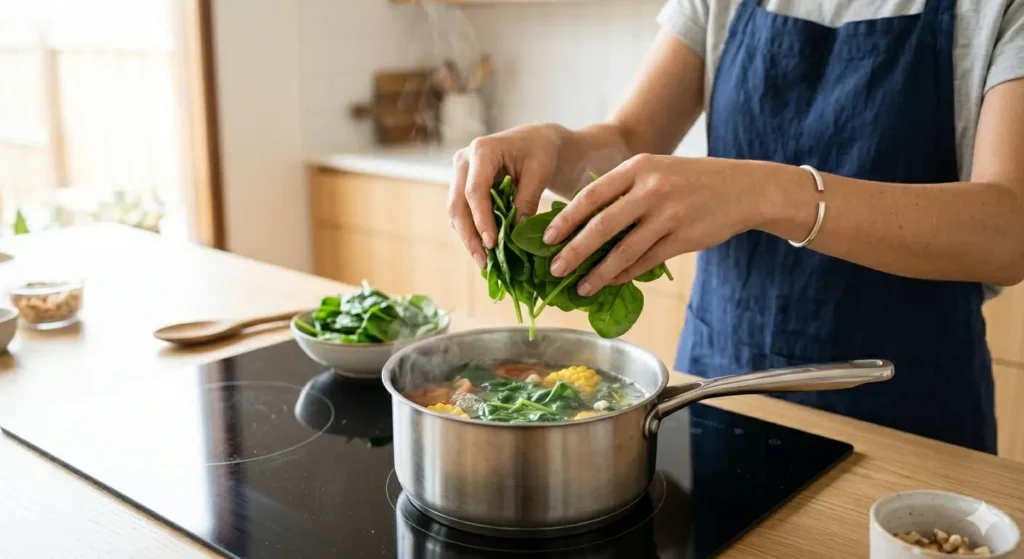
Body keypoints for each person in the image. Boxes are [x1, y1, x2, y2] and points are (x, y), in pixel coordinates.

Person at [446, 0, 1024, 454]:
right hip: (720, 387)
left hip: (908, 413)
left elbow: (1009, 228)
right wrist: (559, 146)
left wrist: (771, 193)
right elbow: (629, 140)